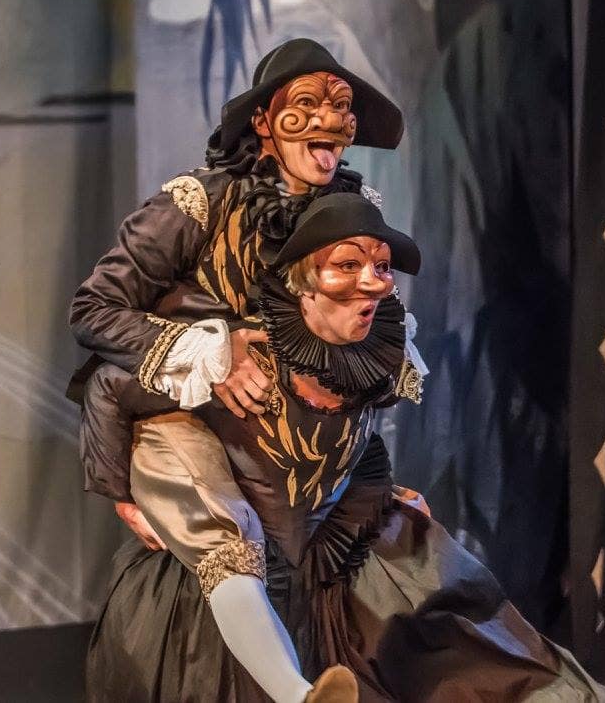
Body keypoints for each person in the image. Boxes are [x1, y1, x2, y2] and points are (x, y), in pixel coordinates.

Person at [70, 38, 422, 701]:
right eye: (306, 103)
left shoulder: (349, 212)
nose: (329, 119)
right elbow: (95, 311)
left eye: (341, 105)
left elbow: (355, 366)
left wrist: (365, 480)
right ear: (263, 120)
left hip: (296, 483)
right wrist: (212, 346)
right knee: (226, 565)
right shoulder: (198, 204)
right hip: (199, 445)